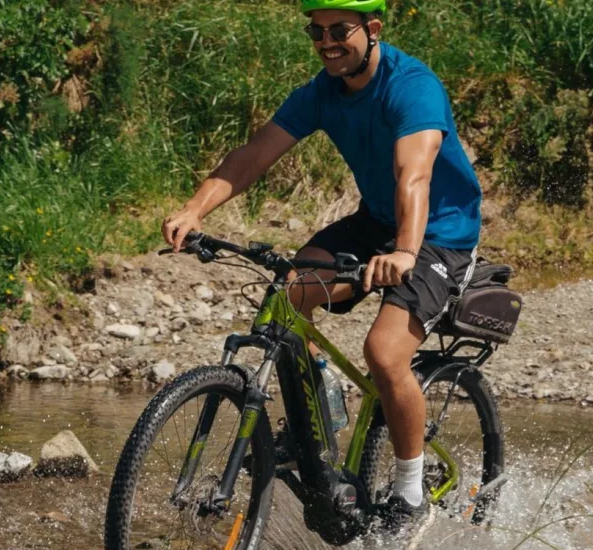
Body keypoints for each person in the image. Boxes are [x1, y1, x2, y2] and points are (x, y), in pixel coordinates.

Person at [161, 0, 482, 533]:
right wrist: (195, 209)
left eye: (341, 31)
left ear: (372, 29)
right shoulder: (321, 93)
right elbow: (253, 155)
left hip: (438, 235)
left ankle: (409, 493)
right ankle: (323, 413)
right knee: (291, 292)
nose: (328, 42)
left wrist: (404, 252)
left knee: (383, 352)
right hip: (376, 221)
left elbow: (414, 175)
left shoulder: (412, 86)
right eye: (317, 31)